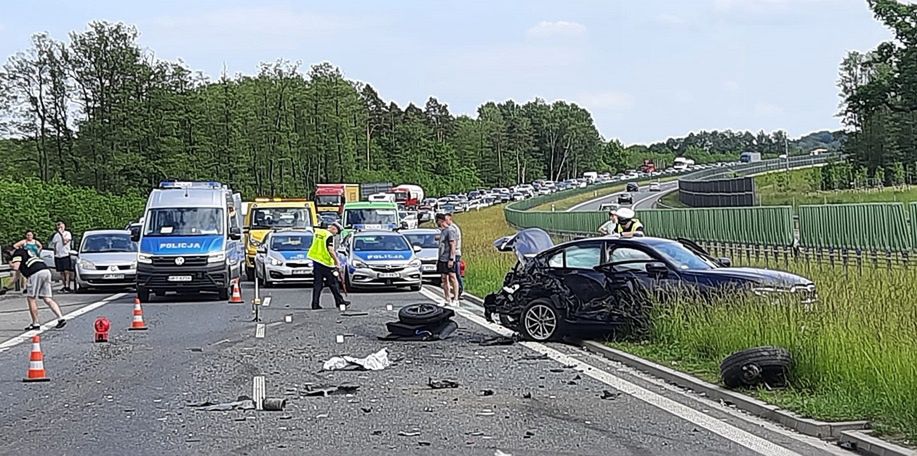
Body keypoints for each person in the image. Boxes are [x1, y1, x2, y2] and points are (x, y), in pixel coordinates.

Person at [8, 247, 66, 330]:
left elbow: (15, 267)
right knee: (47, 298)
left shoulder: (17, 253)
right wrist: (6, 287)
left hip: (34, 273)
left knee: (31, 298)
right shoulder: (26, 253)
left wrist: (10, 263)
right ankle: (61, 318)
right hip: (45, 271)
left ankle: (35, 323)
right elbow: (17, 276)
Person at [307, 222, 350, 310]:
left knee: (317, 284)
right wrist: (337, 262)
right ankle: (340, 302)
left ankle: (315, 304)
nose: (335, 235)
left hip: (316, 261)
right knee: (333, 283)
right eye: (336, 232)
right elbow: (330, 250)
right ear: (334, 229)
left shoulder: (318, 232)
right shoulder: (329, 236)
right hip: (326, 263)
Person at [435, 213, 458, 305]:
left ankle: (455, 299)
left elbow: (453, 245)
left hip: (448, 258)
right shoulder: (443, 231)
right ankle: (447, 298)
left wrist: (451, 259)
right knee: (444, 278)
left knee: (452, 276)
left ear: (440, 221)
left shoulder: (450, 230)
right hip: (442, 258)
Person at [49, 221, 74, 292]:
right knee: (61, 272)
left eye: (61, 226)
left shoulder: (67, 233)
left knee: (67, 271)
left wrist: (61, 234)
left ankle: (68, 286)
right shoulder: (55, 235)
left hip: (65, 254)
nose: (59, 228)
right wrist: (54, 254)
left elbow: (65, 242)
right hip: (58, 255)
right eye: (58, 226)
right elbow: (54, 245)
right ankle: (64, 285)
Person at [444, 213, 463, 299]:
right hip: (454, 252)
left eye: (446, 219)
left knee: (455, 274)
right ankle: (456, 291)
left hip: (455, 253)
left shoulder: (453, 229)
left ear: (450, 219)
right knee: (453, 274)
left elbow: (452, 241)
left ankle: (460, 291)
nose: (445, 221)